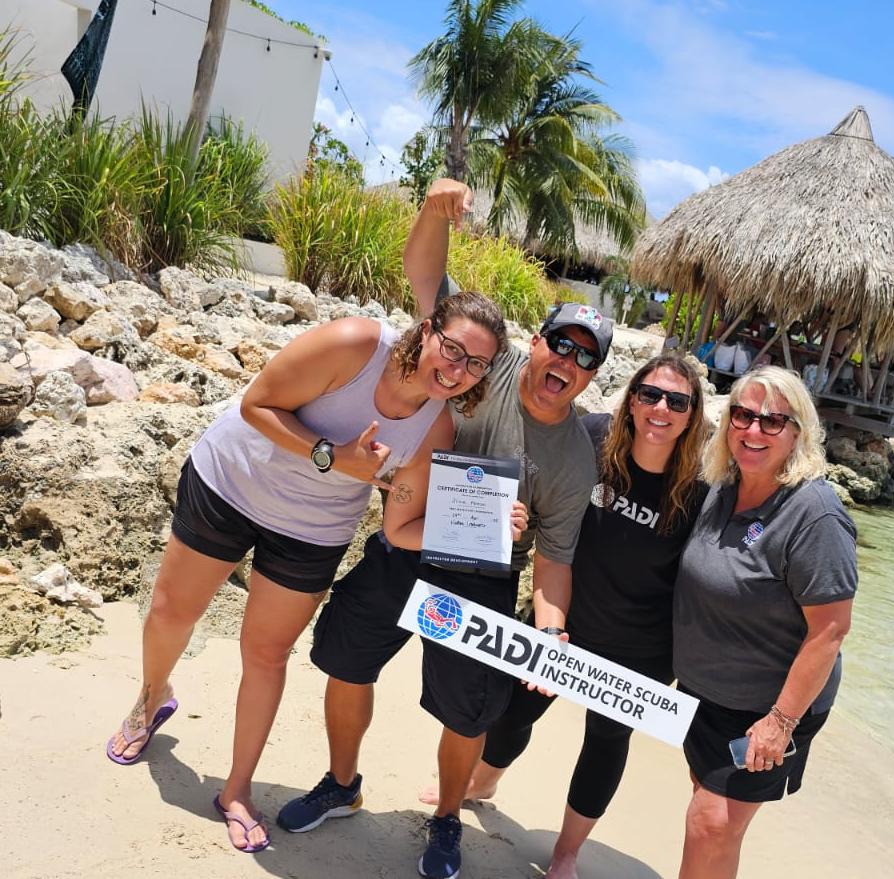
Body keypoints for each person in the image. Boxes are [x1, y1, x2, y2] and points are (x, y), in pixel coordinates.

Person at [278, 178, 612, 879]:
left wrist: (551, 628)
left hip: (485, 578)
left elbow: (553, 560)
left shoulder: (575, 458)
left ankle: (447, 817)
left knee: (469, 711)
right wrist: (433, 212)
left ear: (591, 378)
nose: (567, 363)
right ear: (537, 340)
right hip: (404, 546)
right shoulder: (481, 363)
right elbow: (427, 276)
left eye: (586, 358)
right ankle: (343, 781)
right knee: (345, 656)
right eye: (561, 344)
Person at [104, 278, 507, 853]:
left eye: (477, 365)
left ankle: (236, 791)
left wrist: (485, 530)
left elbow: (398, 526)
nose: (459, 368)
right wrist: (333, 456)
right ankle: (151, 697)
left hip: (311, 531)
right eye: (454, 348)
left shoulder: (435, 427)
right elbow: (256, 403)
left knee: (265, 655)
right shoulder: (354, 345)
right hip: (231, 483)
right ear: (427, 331)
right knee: (172, 612)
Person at [442, 353, 708, 879]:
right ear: (632, 399)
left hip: (642, 648)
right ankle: (482, 782)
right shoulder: (590, 438)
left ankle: (566, 853)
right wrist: (510, 513)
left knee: (606, 743)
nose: (661, 409)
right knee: (514, 709)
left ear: (692, 415)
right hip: (565, 617)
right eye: (650, 394)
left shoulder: (699, 489)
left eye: (677, 402)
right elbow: (540, 488)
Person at [673, 366, 857, 879]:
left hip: (768, 709)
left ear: (798, 431)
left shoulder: (814, 514)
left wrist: (780, 723)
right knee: (713, 821)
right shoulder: (721, 487)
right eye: (744, 415)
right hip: (706, 695)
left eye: (773, 421)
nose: (753, 432)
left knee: (709, 823)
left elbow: (831, 630)